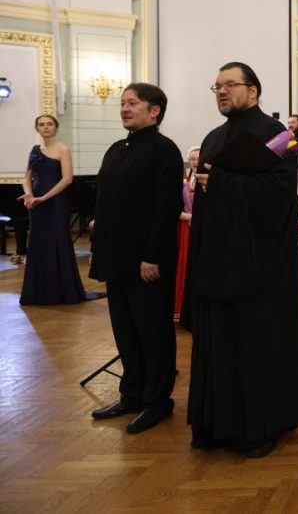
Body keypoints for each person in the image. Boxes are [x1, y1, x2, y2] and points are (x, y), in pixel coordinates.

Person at [186, 62, 298, 458]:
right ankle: (216, 424)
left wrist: (222, 183)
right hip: (218, 262)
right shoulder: (214, 137)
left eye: (230, 85)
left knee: (256, 345)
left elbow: (278, 193)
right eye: (216, 86)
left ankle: (260, 425)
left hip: (260, 265)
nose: (221, 91)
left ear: (253, 91)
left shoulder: (276, 136)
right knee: (218, 343)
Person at [89, 84, 183, 434]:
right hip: (116, 256)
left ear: (154, 110)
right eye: (122, 103)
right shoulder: (116, 149)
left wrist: (152, 255)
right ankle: (131, 395)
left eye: (133, 103)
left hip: (146, 261)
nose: (124, 109)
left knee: (152, 333)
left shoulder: (164, 150)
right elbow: (106, 201)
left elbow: (166, 208)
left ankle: (157, 401)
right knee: (126, 332)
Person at [18, 114, 87, 305]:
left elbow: (67, 179)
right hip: (37, 205)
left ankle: (63, 291)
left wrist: (44, 197)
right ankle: (40, 292)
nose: (46, 127)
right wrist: (29, 195)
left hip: (55, 202)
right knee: (39, 244)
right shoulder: (34, 150)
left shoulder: (62, 149)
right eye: (41, 125)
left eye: (49, 124)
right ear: (37, 129)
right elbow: (26, 177)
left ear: (56, 128)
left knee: (58, 242)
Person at [175, 146, 199, 318]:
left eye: (198, 159)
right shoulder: (183, 181)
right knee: (184, 262)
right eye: (192, 159)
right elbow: (173, 206)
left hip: (204, 227)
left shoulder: (210, 179)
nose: (195, 162)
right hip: (186, 228)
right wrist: (186, 216)